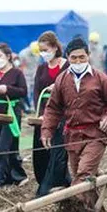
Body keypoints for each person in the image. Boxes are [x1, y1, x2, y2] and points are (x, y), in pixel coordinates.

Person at [41, 37, 107, 212]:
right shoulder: (62, 79)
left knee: (84, 175)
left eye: (81, 57)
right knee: (85, 178)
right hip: (72, 137)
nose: (78, 62)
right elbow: (52, 108)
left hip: (95, 135)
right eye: (74, 58)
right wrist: (46, 130)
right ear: (67, 58)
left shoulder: (99, 77)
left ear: (88, 56)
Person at [0, 43, 28, 189]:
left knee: (5, 144)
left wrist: (8, 89)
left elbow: (23, 91)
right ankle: (14, 175)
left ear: (8, 57)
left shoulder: (17, 73)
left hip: (11, 112)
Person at [33, 31, 71, 197]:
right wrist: (41, 113)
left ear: (55, 48)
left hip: (61, 114)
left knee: (57, 151)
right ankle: (47, 180)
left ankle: (50, 186)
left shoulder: (67, 66)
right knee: (40, 152)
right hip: (43, 116)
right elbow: (36, 92)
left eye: (46, 50)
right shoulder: (41, 68)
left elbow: (71, 88)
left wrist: (57, 87)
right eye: (41, 51)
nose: (44, 54)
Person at [19, 41, 41, 110]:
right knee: (27, 90)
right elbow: (20, 66)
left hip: (34, 74)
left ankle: (33, 106)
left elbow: (38, 64)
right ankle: (26, 106)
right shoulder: (23, 54)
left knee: (34, 90)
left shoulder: (38, 53)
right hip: (26, 74)